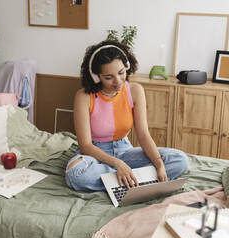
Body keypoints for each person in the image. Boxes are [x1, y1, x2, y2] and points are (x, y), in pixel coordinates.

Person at [65, 40, 188, 191]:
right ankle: (135, 179)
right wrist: (119, 164)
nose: (117, 81)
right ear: (96, 76)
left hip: (124, 149)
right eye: (108, 77)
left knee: (179, 160)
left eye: (121, 73)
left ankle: (123, 179)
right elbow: (85, 145)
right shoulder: (83, 97)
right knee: (76, 174)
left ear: (127, 67)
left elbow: (143, 134)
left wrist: (159, 165)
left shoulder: (135, 90)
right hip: (95, 154)